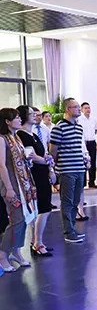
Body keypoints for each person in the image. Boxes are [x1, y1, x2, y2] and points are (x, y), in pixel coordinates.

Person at [0, 108, 37, 272]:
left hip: (22, 183)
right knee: (16, 220)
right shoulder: (2, 139)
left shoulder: (16, 138)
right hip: (12, 184)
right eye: (16, 118)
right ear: (7, 121)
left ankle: (16, 251)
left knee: (24, 219)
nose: (19, 120)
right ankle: (3, 255)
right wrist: (8, 188)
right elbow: (2, 166)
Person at [17, 106, 53, 258]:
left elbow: (43, 153)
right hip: (34, 175)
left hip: (42, 173)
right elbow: (30, 155)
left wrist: (49, 165)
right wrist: (45, 161)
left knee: (44, 208)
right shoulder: (21, 135)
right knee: (42, 209)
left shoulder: (34, 134)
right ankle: (37, 243)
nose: (36, 116)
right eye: (32, 114)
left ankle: (37, 241)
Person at [50, 98, 87, 244]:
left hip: (79, 168)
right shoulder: (59, 128)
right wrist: (53, 170)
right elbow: (53, 151)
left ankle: (72, 227)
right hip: (66, 170)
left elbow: (78, 147)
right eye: (75, 107)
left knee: (76, 200)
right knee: (67, 201)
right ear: (67, 109)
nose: (79, 109)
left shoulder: (79, 127)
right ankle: (68, 232)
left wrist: (84, 159)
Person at [79, 102, 97, 189]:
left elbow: (95, 130)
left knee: (93, 162)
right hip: (83, 143)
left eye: (89, 108)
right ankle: (83, 182)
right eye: (85, 108)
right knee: (83, 162)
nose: (88, 110)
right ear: (81, 109)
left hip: (92, 142)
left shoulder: (93, 119)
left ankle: (92, 181)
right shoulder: (79, 120)